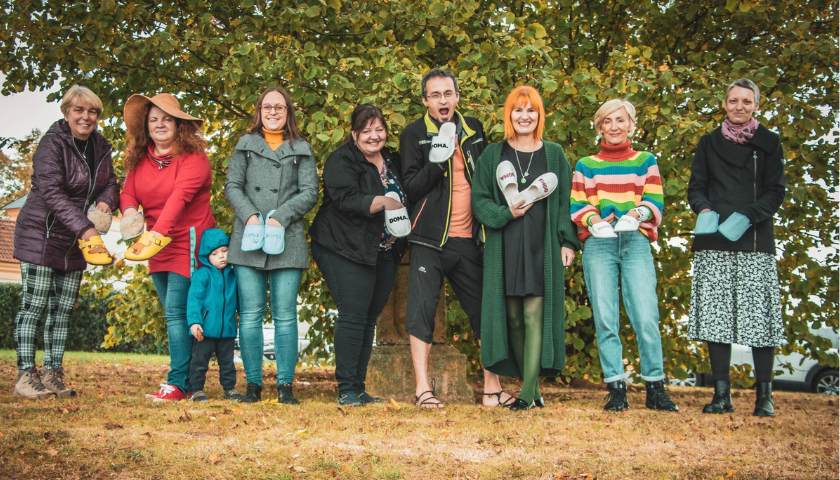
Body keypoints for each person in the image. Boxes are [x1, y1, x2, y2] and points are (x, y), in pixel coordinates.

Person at [400, 69, 509, 408]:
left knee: (485, 312)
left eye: (448, 93)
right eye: (435, 95)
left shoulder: (474, 128)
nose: (442, 100)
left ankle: (493, 390)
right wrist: (438, 158)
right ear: (425, 100)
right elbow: (411, 188)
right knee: (421, 311)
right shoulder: (414, 133)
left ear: (457, 97)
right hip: (428, 239)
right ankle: (423, 389)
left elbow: (489, 177)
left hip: (470, 240)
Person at [472, 86, 579, 411]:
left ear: (539, 115)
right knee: (514, 319)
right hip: (505, 246)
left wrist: (567, 241)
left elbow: (563, 202)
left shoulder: (554, 154)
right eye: (518, 110)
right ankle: (531, 389)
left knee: (534, 315)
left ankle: (527, 394)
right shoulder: (493, 155)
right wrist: (506, 213)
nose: (524, 116)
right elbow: (480, 201)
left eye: (531, 110)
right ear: (509, 115)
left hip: (540, 246)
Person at [570, 98, 678, 412]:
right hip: (600, 244)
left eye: (620, 120)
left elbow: (654, 197)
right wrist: (594, 221)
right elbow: (579, 204)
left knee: (645, 315)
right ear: (599, 126)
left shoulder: (645, 160)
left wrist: (637, 214)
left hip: (636, 241)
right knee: (605, 317)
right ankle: (616, 388)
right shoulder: (586, 165)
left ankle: (655, 387)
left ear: (631, 124)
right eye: (607, 121)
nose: (614, 127)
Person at [12, 85, 119, 399]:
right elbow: (53, 194)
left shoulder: (101, 146)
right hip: (41, 234)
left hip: (76, 240)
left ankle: (53, 374)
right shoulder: (52, 144)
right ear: (66, 113)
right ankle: (25, 377)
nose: (86, 117)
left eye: (93, 112)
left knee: (62, 311)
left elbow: (111, 183)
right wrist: (87, 229)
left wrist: (105, 203)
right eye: (79, 111)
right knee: (34, 307)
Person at [687, 78, 786, 417]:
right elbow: (696, 188)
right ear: (725, 104)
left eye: (746, 101)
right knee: (716, 320)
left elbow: (776, 192)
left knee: (759, 321)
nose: (739, 106)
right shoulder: (708, 142)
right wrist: (705, 210)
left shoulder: (770, 144)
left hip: (755, 241)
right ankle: (721, 395)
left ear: (756, 105)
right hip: (713, 239)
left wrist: (748, 214)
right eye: (733, 100)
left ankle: (764, 398)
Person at [309, 104, 408, 406]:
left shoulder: (392, 159)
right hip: (343, 247)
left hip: (383, 250)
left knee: (368, 319)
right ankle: (347, 389)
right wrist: (382, 201)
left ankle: (358, 387)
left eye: (378, 130)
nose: (373, 136)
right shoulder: (341, 160)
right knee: (353, 314)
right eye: (366, 131)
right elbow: (346, 199)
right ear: (354, 134)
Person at [225, 86, 318, 404]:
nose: (274, 112)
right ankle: (252, 385)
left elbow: (310, 191)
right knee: (250, 315)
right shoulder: (244, 146)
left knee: (285, 315)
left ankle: (285, 387)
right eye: (268, 107)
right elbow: (232, 186)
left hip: (287, 238)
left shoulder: (301, 148)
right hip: (248, 238)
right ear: (259, 110)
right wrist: (251, 215)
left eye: (280, 107)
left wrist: (281, 216)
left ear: (288, 111)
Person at [121, 93, 217, 402]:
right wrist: (129, 214)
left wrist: (154, 235)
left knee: (177, 312)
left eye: (167, 119)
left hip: (187, 241)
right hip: (155, 245)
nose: (160, 124)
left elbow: (178, 201)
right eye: (153, 120)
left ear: (179, 125)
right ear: (146, 127)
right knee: (173, 314)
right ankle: (188, 380)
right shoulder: (141, 159)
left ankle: (178, 383)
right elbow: (127, 192)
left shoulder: (194, 158)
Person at [186, 228, 242, 402]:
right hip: (205, 329)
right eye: (215, 253)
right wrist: (195, 322)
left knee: (227, 363)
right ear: (206, 257)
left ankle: (230, 389)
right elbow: (194, 299)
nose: (221, 256)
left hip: (227, 329)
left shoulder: (234, 275)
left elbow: (239, 299)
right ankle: (196, 390)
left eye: (225, 251)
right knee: (199, 361)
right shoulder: (202, 274)